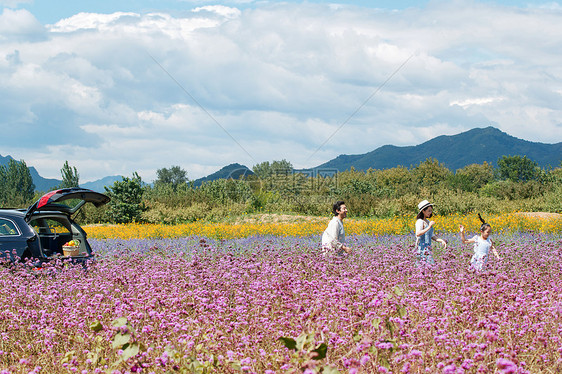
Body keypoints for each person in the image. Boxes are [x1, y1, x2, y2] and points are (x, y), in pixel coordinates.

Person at [415, 200, 447, 265]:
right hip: (421, 249)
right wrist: (429, 227)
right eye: (429, 210)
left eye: (431, 210)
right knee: (426, 267)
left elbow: (432, 236)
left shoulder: (427, 221)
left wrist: (441, 241)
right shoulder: (420, 221)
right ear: (423, 211)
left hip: (428, 248)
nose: (430, 212)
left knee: (429, 267)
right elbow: (418, 233)